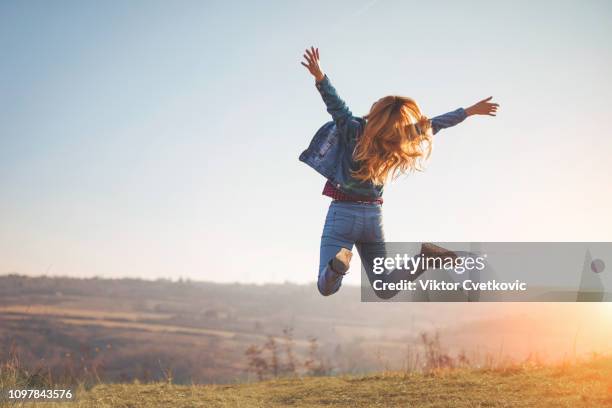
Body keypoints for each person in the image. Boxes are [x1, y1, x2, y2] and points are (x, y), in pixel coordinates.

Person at [300, 47, 499, 297]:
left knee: (326, 287)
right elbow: (434, 124)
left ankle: (337, 267)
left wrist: (320, 77)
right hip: (372, 217)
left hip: (342, 213)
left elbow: (335, 105)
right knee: (385, 287)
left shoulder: (353, 129)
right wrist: (469, 111)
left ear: (376, 112)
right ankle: (425, 259)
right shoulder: (398, 140)